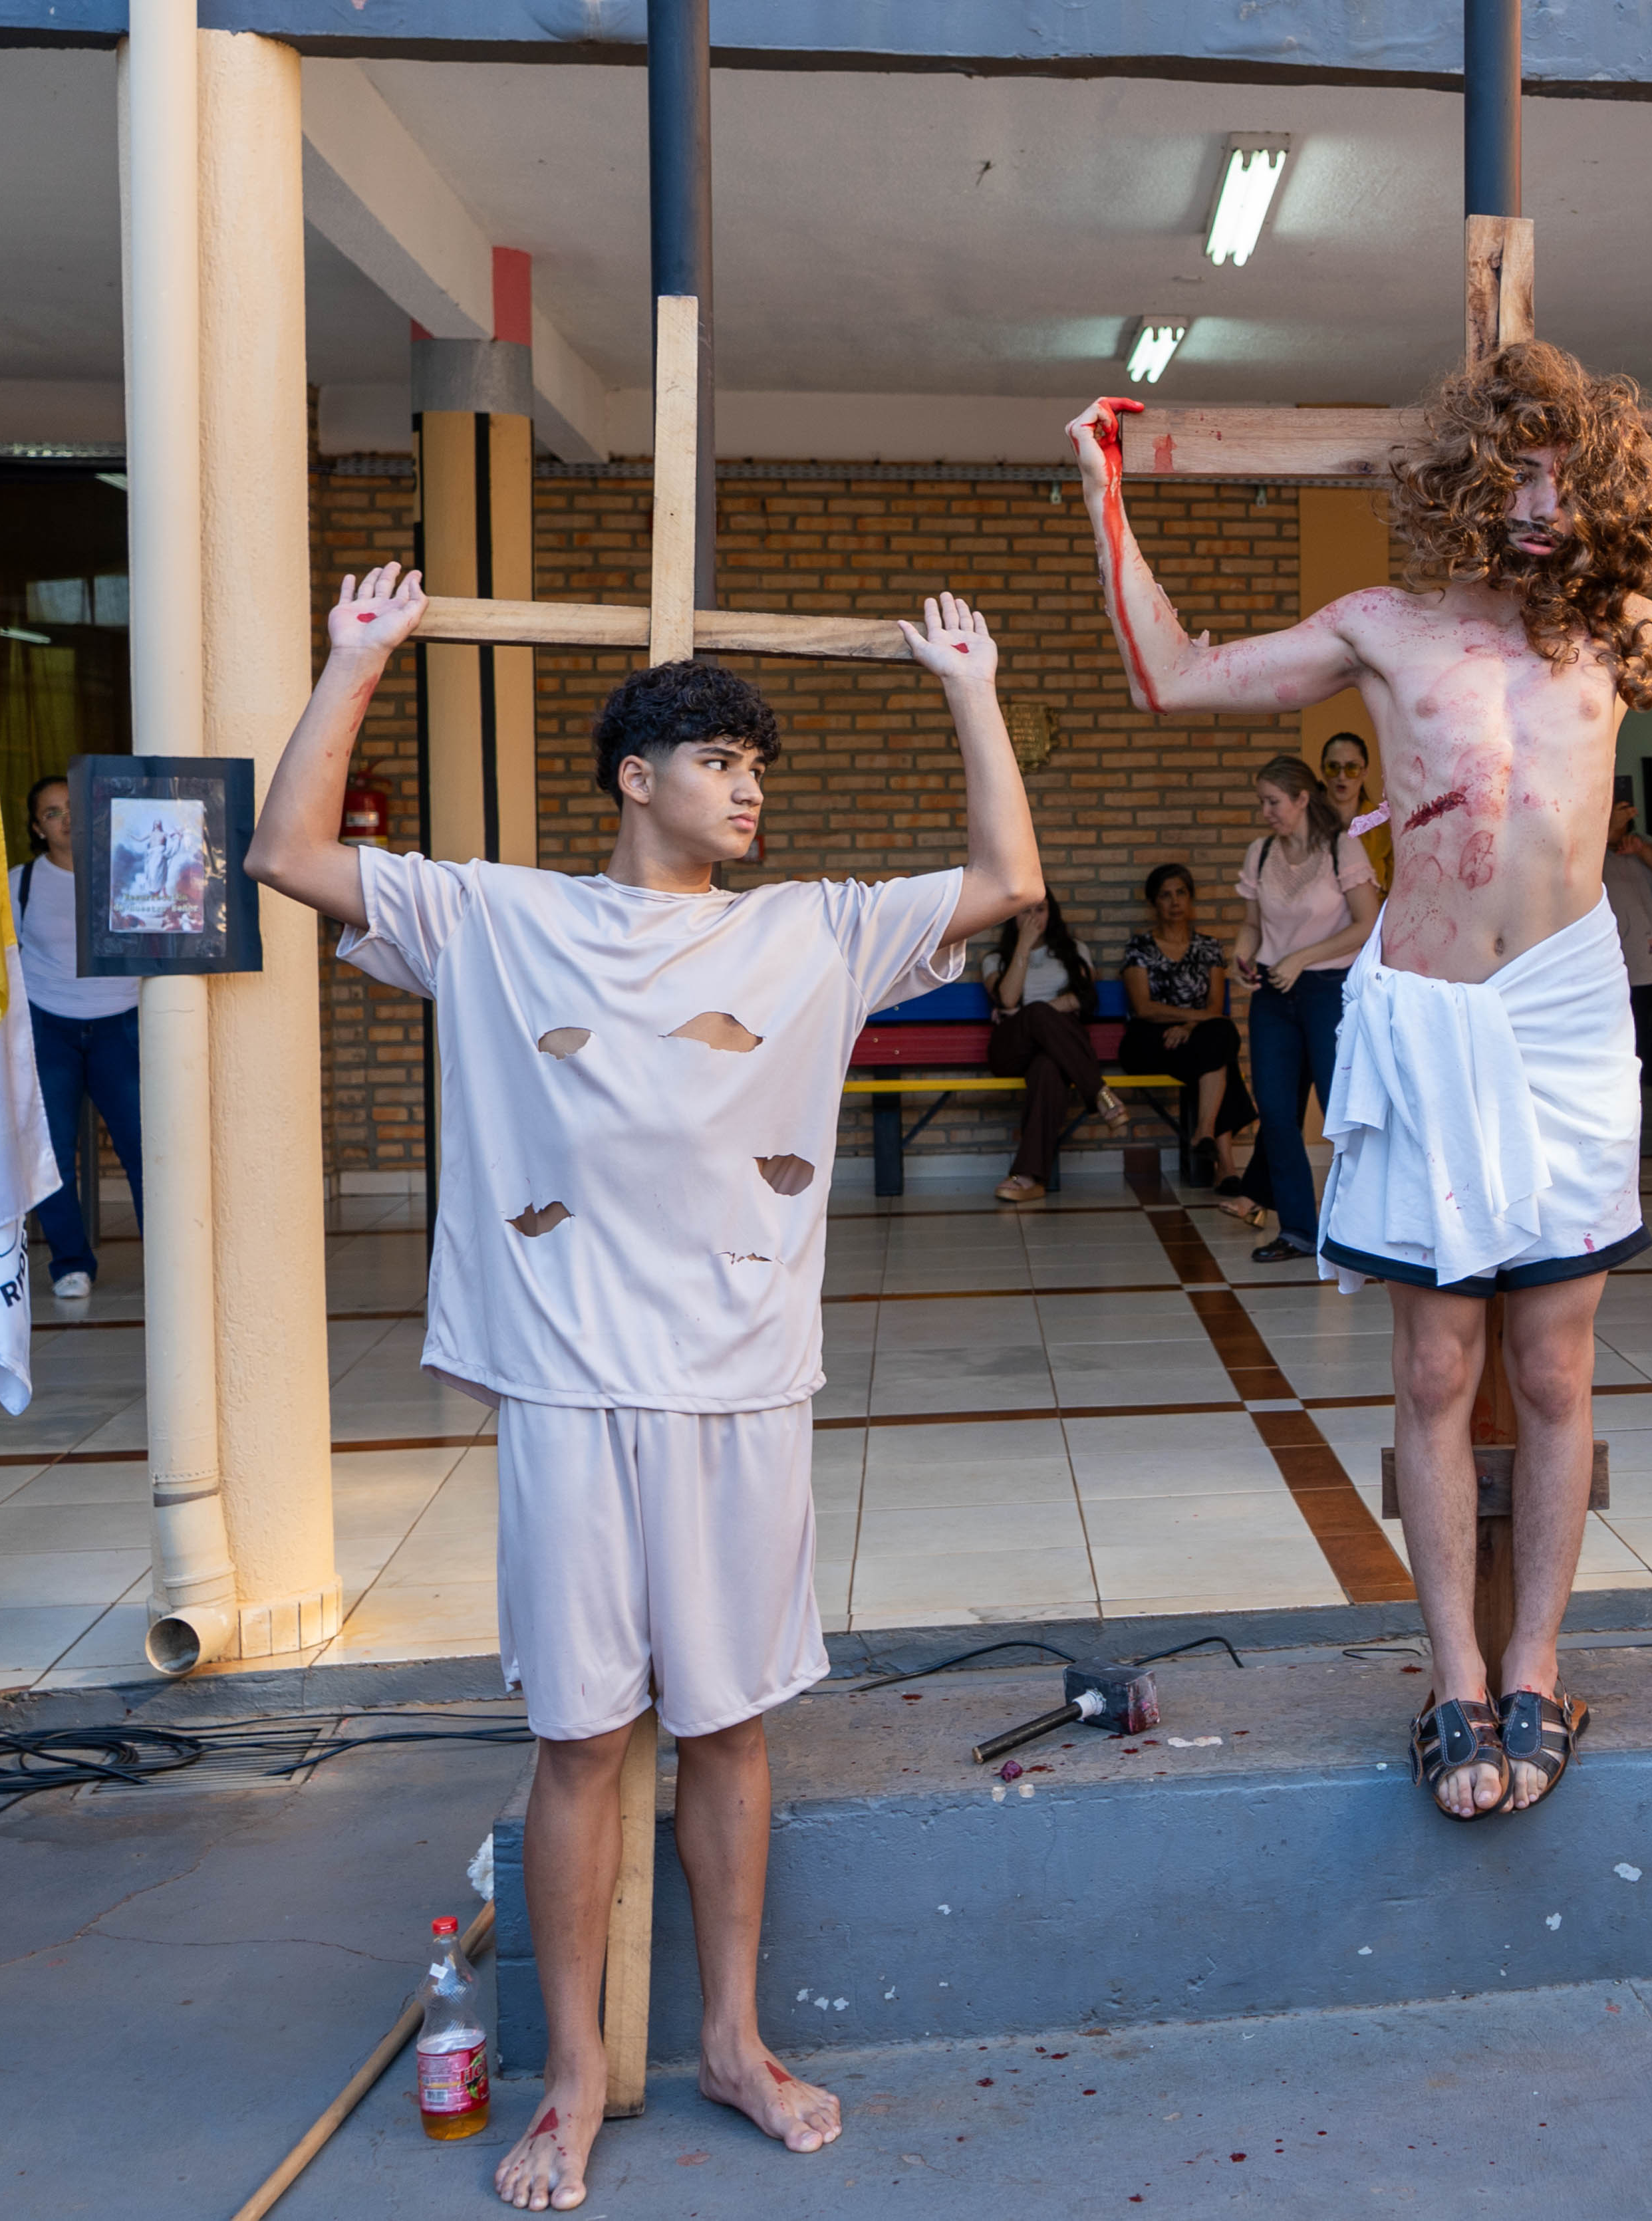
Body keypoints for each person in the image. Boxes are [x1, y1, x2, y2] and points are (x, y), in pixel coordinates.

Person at [247, 564, 1037, 2214]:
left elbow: (1005, 879)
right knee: (579, 1734)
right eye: (719, 763)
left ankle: (733, 2042)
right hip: (567, 1389)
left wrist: (970, 688)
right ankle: (575, 2072)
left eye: (758, 769)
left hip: (741, 1384)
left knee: (727, 1723)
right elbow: (286, 854)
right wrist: (354, 661)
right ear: (634, 775)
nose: (749, 792)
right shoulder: (499, 918)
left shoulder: (812, 929)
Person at [1073, 342, 1652, 1819]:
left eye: (1565, 483)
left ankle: (1534, 1663)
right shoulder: (1385, 628)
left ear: (1604, 500)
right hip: (1431, 1019)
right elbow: (1174, 675)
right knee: (1432, 1371)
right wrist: (1105, 497)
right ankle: (1453, 1674)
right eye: (1513, 478)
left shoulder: (1619, 637)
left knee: (1554, 1372)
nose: (1538, 508)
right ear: (1462, 486)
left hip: (1565, 1025)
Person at [1228, 754, 1377, 1263]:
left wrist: (1302, 957)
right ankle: (1296, 1230)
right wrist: (1241, 955)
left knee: (1342, 1113)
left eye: (1273, 802)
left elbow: (1366, 924)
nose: (1265, 812)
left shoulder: (1341, 847)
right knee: (1274, 1112)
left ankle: (1363, 1234)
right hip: (1273, 994)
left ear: (1301, 799)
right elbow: (1252, 924)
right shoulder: (1260, 852)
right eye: (1261, 802)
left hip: (1329, 992)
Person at [13, 773, 146, 1300]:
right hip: (49, 1026)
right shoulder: (19, 883)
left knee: (145, 1148)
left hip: (123, 1023)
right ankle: (70, 1262)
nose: (66, 819)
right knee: (51, 1151)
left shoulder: (131, 871)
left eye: (73, 807)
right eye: (52, 813)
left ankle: (169, 1260)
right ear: (37, 828)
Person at [1120, 862, 1260, 1198]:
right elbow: (1144, 1008)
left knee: (1220, 1036)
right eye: (1165, 895)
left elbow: (1215, 1008)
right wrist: (1191, 1020)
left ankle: (1207, 1136)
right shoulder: (1140, 948)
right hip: (1149, 1040)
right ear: (1154, 903)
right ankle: (1223, 1161)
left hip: (1195, 1037)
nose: (1174, 902)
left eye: (1181, 893)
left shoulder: (1209, 948)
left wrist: (1188, 1026)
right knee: (1220, 1055)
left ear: (1191, 898)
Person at [980, 891, 1103, 1206]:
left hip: (1058, 1050)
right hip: (1013, 1048)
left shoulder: (1075, 951)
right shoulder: (995, 960)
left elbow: (1085, 998)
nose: (1033, 918)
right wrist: (1023, 945)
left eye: (1041, 910)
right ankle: (1098, 1092)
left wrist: (1038, 1012)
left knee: (1048, 1068)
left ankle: (1028, 1177)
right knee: (1035, 1015)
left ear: (1052, 913)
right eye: (1025, 911)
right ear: (1013, 916)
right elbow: (1007, 999)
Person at [1601, 794, 1652, 1075]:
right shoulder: (1593, 854)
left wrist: (1640, 849)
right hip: (1622, 969)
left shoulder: (1643, 844)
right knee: (1628, 1046)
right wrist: (1607, 831)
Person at [1321, 728, 1393, 893]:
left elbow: (1396, 890)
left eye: (1351, 768)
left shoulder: (1384, 827)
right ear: (1323, 770)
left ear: (1365, 772)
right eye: (1333, 767)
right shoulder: (1306, 821)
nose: (1342, 776)